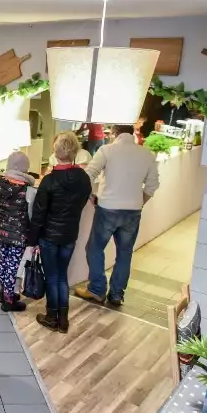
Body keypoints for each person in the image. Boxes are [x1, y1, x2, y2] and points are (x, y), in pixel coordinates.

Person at [75, 124, 160, 306]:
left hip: (107, 209)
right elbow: (152, 185)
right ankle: (116, 294)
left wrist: (91, 196)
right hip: (133, 212)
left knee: (95, 248)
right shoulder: (146, 154)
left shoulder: (107, 150)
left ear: (114, 134)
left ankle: (97, 289)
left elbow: (88, 174)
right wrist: (139, 203)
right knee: (124, 253)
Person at [29, 132, 91, 333]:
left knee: (52, 276)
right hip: (69, 235)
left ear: (56, 151)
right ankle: (63, 320)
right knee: (62, 276)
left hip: (49, 236)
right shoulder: (83, 178)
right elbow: (81, 204)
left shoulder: (49, 181)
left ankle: (51, 316)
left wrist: (33, 239)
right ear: (74, 151)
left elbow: (38, 213)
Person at [0, 151, 36, 312]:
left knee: (4, 260)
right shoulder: (26, 188)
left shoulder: (0, 181)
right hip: (19, 233)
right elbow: (31, 211)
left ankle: (4, 292)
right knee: (12, 265)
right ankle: (8, 301)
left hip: (2, 229)